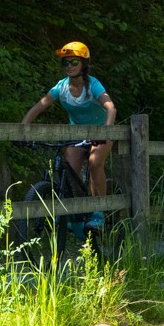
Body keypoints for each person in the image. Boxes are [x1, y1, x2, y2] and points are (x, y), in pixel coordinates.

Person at [20, 41, 117, 213]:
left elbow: (110, 107)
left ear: (84, 64)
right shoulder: (61, 86)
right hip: (77, 134)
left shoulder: (93, 85)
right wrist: (22, 129)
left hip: (100, 132)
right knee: (70, 174)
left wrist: (106, 131)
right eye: (65, 62)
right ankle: (78, 213)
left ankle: (99, 211)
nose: (69, 66)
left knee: (94, 163)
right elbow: (39, 106)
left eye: (74, 62)